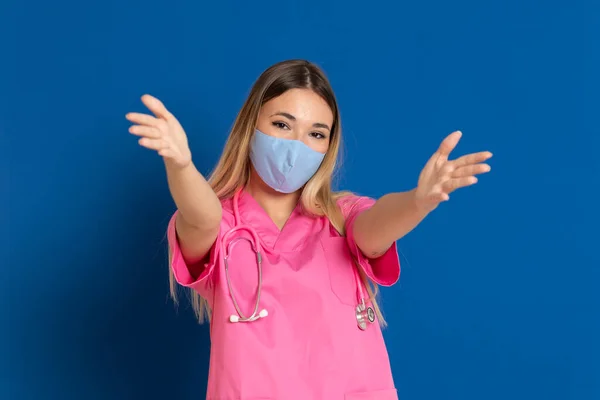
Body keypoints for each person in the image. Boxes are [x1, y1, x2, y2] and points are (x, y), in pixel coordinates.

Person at [125, 59, 492, 399]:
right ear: (250, 125)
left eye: (316, 134)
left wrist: (418, 200)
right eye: (282, 125)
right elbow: (203, 217)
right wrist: (181, 165)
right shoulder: (224, 228)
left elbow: (376, 227)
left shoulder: (341, 217)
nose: (296, 146)